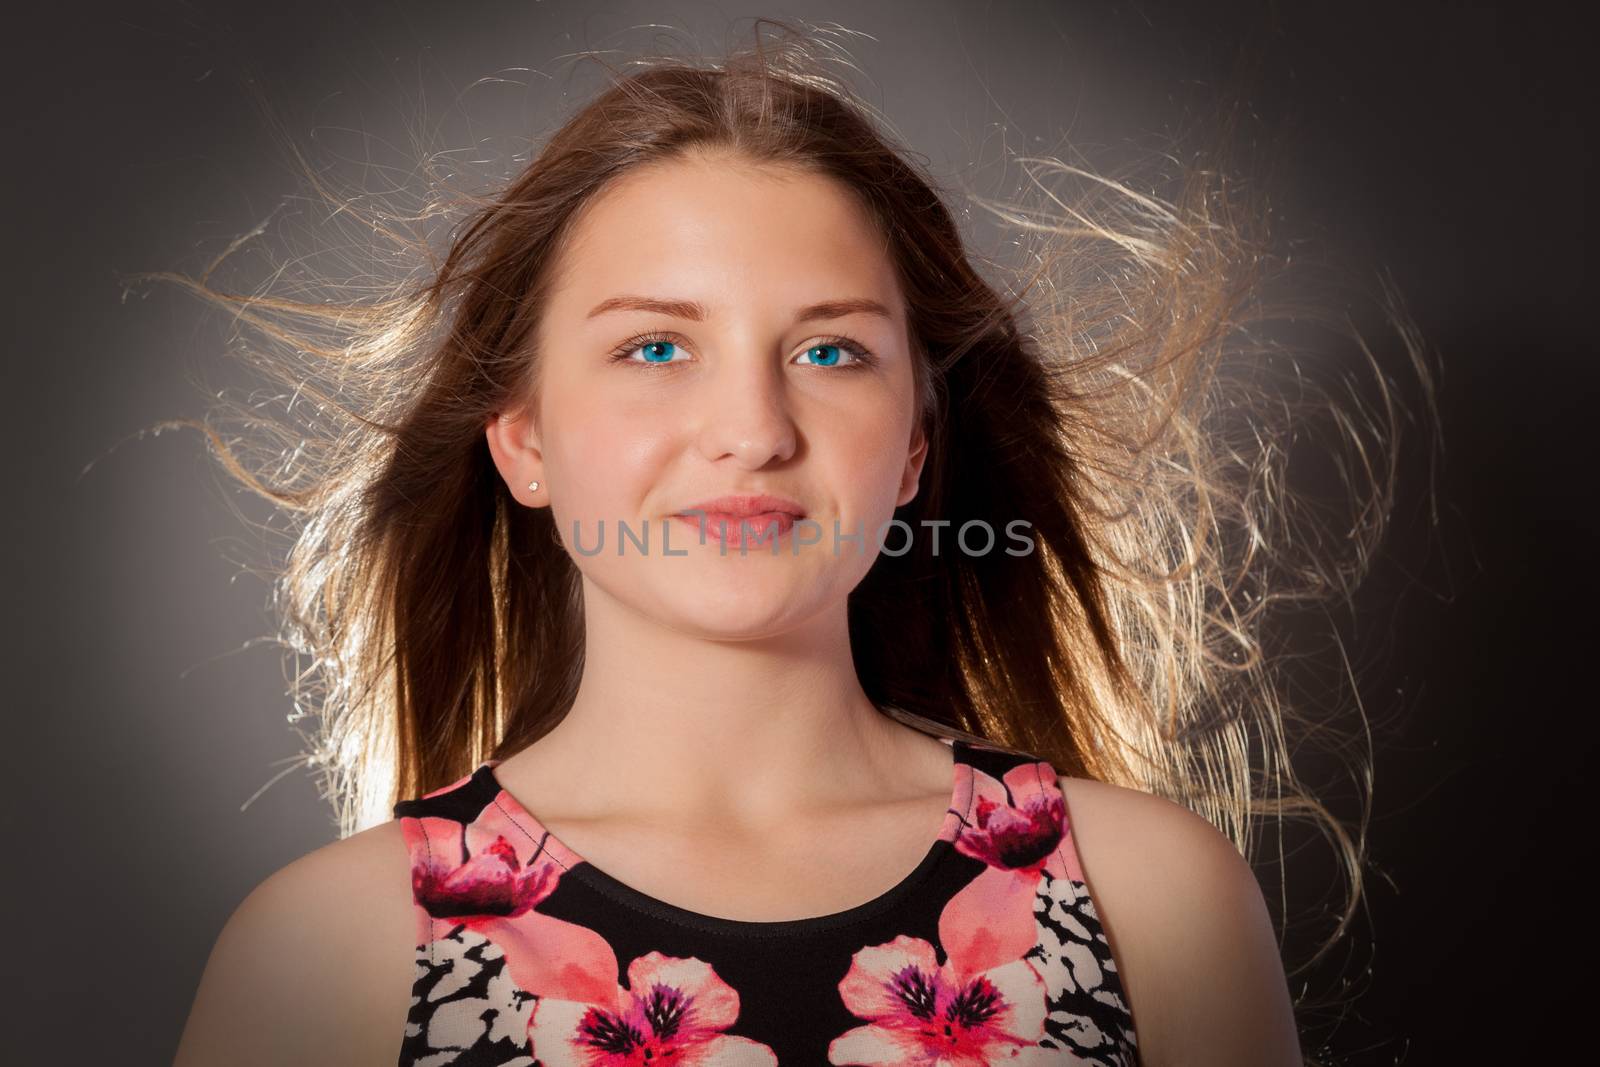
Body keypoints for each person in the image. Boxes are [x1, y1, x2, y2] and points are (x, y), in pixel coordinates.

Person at [166, 19, 1424, 1067]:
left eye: (830, 351)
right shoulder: (328, 953)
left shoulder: (1157, 904)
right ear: (523, 441)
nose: (752, 429)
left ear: (917, 448)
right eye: (654, 347)